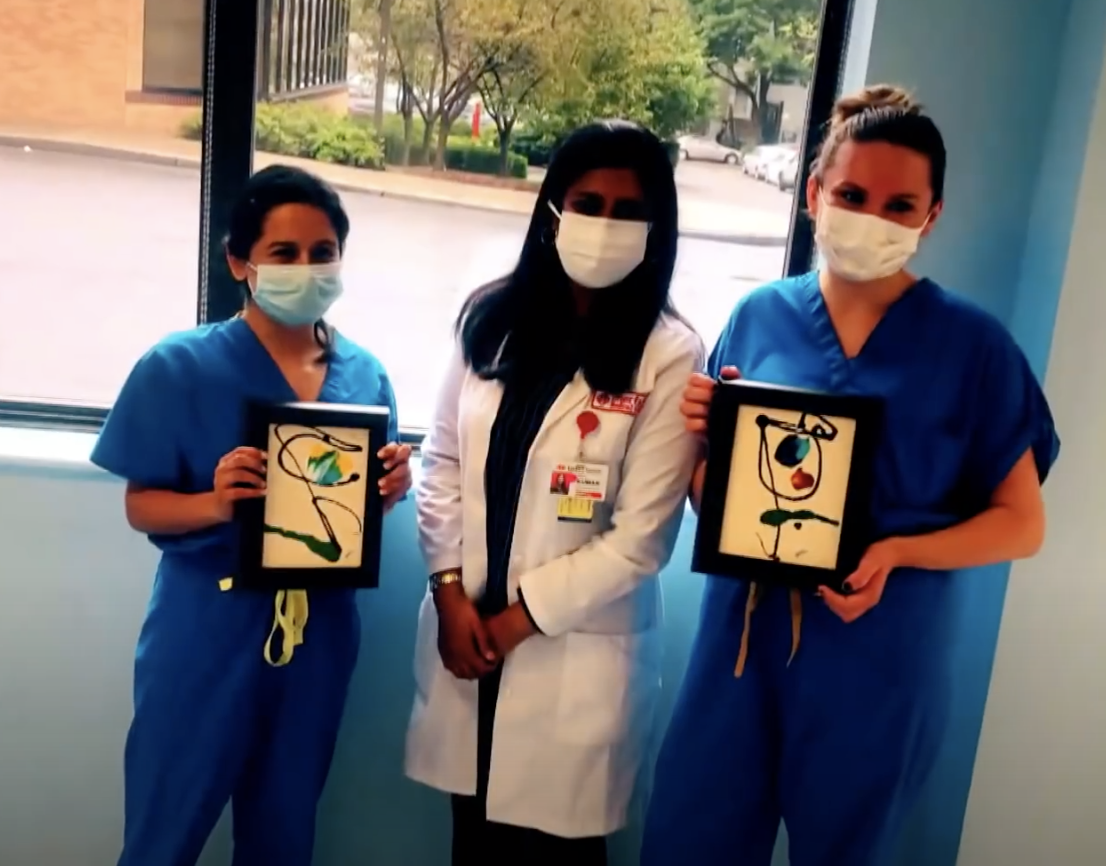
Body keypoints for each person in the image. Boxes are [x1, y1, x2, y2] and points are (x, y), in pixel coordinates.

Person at [641, 85, 1061, 866]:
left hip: (880, 652)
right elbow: (710, 501)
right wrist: (710, 442)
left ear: (932, 218)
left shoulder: (975, 349)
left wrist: (896, 554)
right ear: (814, 196)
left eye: (901, 206)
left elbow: (1022, 523)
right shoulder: (759, 317)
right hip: (743, 644)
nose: (873, 218)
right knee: (692, 841)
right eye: (853, 195)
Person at [91, 165, 412, 866]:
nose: (307, 268)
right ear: (240, 262)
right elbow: (139, 504)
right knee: (163, 832)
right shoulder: (178, 366)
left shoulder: (366, 375)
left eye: (323, 253)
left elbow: (359, 505)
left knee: (282, 835)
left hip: (318, 636)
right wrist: (214, 501)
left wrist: (387, 489)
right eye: (284, 254)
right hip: (205, 631)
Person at [405, 120, 704, 865]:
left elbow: (640, 542)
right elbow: (439, 460)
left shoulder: (669, 352)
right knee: (471, 845)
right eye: (587, 201)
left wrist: (511, 625)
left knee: (561, 857)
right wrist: (448, 594)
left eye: (628, 210)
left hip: (564, 653)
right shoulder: (492, 320)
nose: (605, 224)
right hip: (466, 637)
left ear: (657, 228)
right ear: (552, 210)